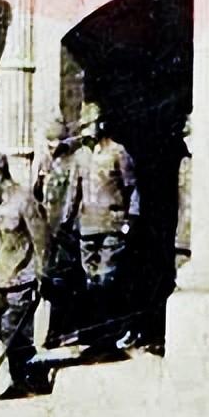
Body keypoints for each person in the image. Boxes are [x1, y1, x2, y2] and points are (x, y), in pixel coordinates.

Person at [0, 151, 50, 400]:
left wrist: (42, 275)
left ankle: (19, 380)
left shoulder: (24, 199)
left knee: (11, 326)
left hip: (22, 277)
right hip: (2, 276)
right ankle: (30, 363)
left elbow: (41, 239)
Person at [66, 102, 139, 349]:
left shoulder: (118, 152)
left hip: (112, 224)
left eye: (91, 124)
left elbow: (132, 188)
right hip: (87, 226)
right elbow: (73, 192)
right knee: (91, 281)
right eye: (84, 126)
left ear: (102, 124)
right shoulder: (80, 156)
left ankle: (119, 329)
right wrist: (67, 221)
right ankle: (98, 331)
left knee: (108, 278)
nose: (87, 130)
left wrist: (130, 221)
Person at [32, 121, 84, 348]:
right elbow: (37, 195)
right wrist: (39, 176)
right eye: (49, 143)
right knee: (49, 280)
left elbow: (73, 197)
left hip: (66, 230)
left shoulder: (73, 162)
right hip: (48, 229)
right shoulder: (46, 163)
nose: (52, 147)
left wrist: (65, 225)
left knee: (63, 280)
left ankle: (62, 331)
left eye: (56, 143)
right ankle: (55, 330)